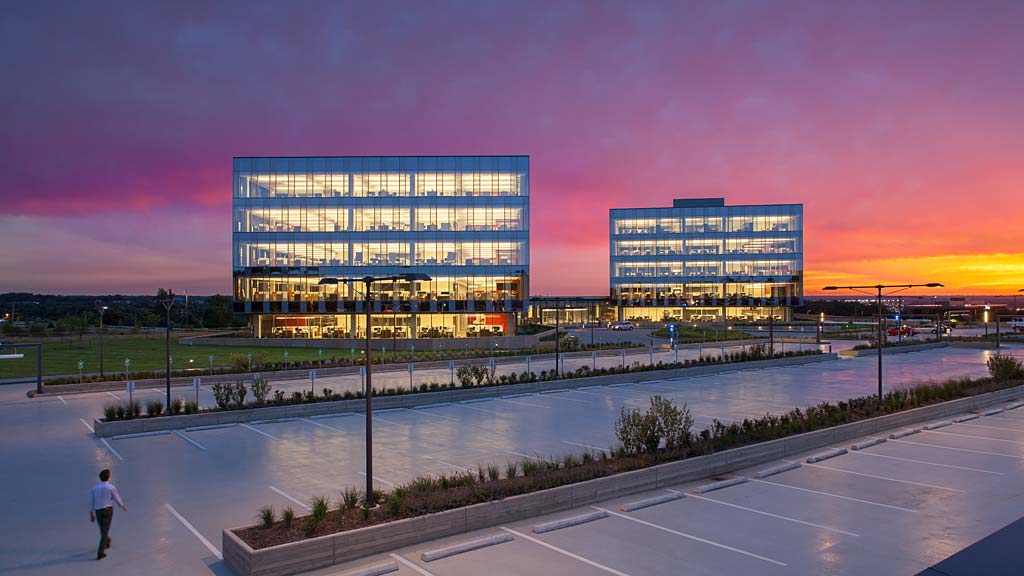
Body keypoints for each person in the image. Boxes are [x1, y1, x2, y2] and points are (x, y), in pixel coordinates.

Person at [89, 469, 127, 560]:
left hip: (98, 511)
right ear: (108, 477)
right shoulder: (111, 487)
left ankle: (106, 540)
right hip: (108, 510)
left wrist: (91, 513)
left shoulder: (94, 488)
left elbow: (92, 501)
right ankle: (100, 552)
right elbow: (116, 497)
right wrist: (122, 506)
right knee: (105, 530)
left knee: (102, 529)